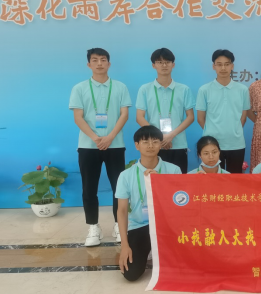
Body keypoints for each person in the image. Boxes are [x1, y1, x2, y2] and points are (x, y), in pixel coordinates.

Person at [69, 48, 132, 247]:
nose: (99, 63)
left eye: (103, 60)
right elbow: (78, 117)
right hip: (88, 146)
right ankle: (93, 227)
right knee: (89, 188)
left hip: (115, 145)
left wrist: (110, 137)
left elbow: (124, 115)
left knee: (118, 188)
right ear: (89, 64)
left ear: (109, 64)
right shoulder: (79, 88)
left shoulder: (120, 87)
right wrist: (96, 138)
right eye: (95, 60)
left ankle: (118, 225)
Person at [116, 126, 182, 282]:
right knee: (131, 274)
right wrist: (124, 245)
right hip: (140, 226)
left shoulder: (174, 170)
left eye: (155, 141)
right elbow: (122, 210)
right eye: (145, 142)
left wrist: (160, 182)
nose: (151, 145)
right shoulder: (126, 175)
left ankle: (157, 249)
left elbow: (179, 205)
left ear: (161, 144)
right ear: (137, 145)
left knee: (179, 269)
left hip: (167, 227)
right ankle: (148, 248)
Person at [136, 48, 195, 174]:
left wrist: (171, 136)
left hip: (178, 144)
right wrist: (160, 137)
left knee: (178, 182)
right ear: (153, 65)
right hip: (154, 145)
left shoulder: (184, 89)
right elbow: (139, 117)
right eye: (160, 62)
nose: (164, 65)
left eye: (167, 62)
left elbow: (190, 117)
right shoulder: (145, 89)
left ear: (173, 65)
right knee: (155, 181)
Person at [196, 50, 251, 174]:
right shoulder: (204, 90)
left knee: (235, 179)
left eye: (227, 64)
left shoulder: (242, 89)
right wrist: (212, 131)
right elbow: (200, 118)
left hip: (236, 144)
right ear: (213, 66)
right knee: (213, 180)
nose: (223, 68)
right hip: (212, 145)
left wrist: (233, 130)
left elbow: (243, 118)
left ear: (232, 66)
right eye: (219, 64)